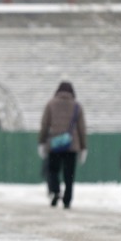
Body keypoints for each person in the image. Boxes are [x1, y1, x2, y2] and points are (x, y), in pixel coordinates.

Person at [37, 80, 88, 209]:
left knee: (53, 170)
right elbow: (82, 128)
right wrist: (83, 147)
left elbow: (44, 125)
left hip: (54, 144)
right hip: (72, 146)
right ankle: (67, 199)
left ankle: (55, 191)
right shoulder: (77, 106)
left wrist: (42, 142)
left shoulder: (50, 104)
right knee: (69, 174)